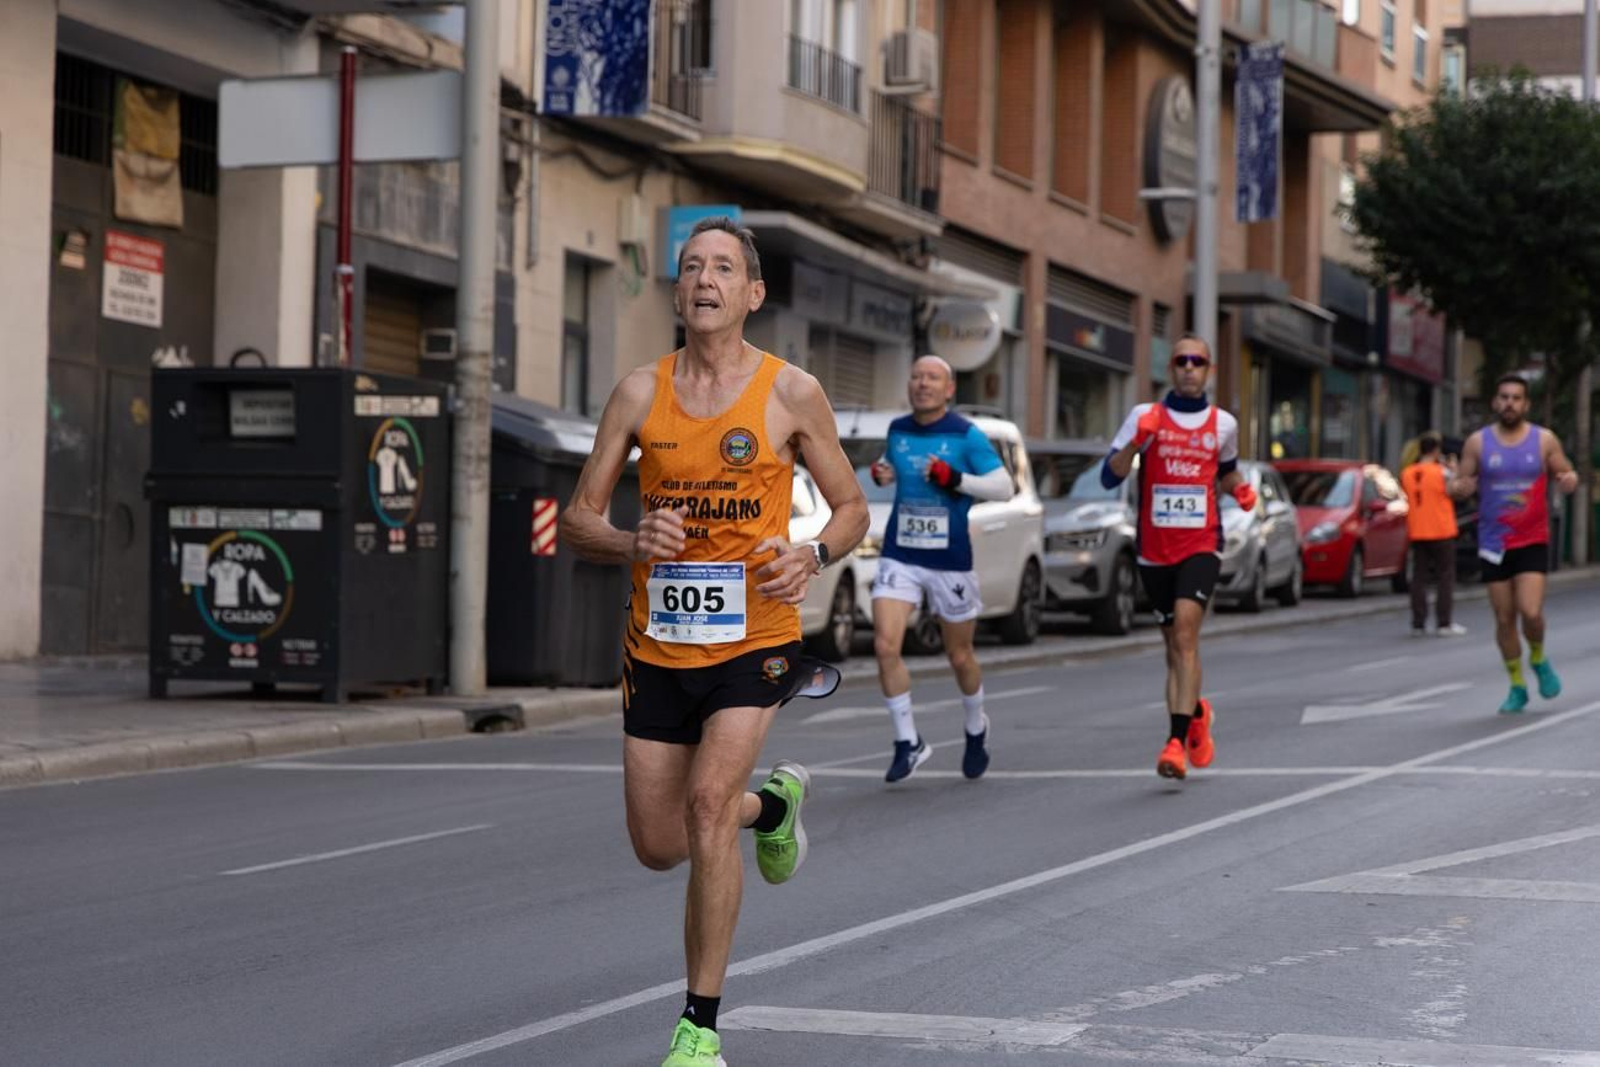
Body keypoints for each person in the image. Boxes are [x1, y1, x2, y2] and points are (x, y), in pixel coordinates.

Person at [558, 217, 868, 1067]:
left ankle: (699, 1025)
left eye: (722, 268)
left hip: (755, 638)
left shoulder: (790, 391)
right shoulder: (636, 392)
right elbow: (578, 517)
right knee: (660, 843)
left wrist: (810, 552)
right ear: (676, 291)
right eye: (691, 266)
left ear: (752, 294)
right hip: (657, 643)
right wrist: (629, 540)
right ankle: (772, 808)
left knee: (702, 811)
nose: (704, 279)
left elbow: (851, 508)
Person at [1102, 334, 1255, 780]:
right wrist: (1136, 445)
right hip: (1154, 549)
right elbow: (1109, 476)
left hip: (1201, 543)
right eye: (1182, 361)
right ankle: (1195, 716)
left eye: (1198, 362)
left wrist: (1240, 489)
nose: (1190, 368)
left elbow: (1226, 473)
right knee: (1173, 647)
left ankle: (1173, 743)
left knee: (1186, 635)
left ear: (1209, 371)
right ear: (1171, 368)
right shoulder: (1143, 417)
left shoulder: (1223, 424)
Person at [867, 355, 1015, 783]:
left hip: (950, 559)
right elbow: (894, 468)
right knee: (884, 646)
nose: (922, 384)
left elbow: (1004, 487)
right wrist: (884, 473)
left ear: (949, 389)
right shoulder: (898, 430)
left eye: (932, 378)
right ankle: (907, 742)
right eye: (916, 376)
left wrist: (956, 479)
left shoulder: (965, 435)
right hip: (901, 553)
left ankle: (974, 727)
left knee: (959, 655)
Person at [1450, 373, 1580, 714]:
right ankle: (1517, 685)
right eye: (1504, 397)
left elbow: (1566, 472)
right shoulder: (1478, 443)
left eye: (1516, 398)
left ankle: (1537, 657)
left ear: (1526, 404)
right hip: (1494, 541)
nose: (1509, 403)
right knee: (1504, 618)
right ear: (1495, 402)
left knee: (1531, 611)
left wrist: (1568, 479)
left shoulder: (1543, 440)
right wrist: (1457, 488)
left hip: (1532, 538)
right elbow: (1460, 481)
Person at [1401, 432, 1465, 637]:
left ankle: (1418, 622)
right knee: (1445, 576)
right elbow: (1455, 490)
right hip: (1441, 529)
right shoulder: (1441, 472)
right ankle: (1443, 622)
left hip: (1417, 530)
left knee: (1419, 577)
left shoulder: (1408, 473)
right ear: (1436, 450)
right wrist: (1455, 470)